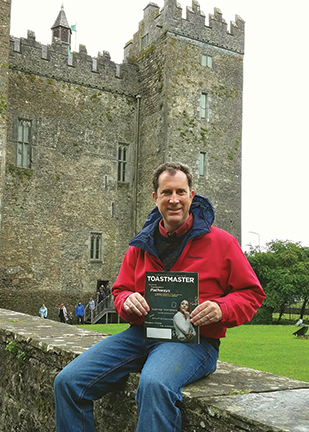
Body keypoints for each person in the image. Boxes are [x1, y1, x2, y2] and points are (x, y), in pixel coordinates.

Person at [54, 162, 265, 432]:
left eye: (180, 191)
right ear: (156, 198)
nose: (174, 199)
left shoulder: (222, 242)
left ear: (192, 195)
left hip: (194, 341)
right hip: (141, 334)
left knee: (154, 385)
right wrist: (128, 300)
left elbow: (251, 293)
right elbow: (119, 290)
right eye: (167, 192)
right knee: (68, 382)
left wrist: (222, 308)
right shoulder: (140, 244)